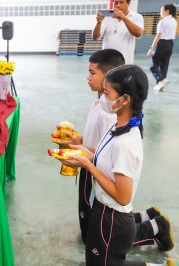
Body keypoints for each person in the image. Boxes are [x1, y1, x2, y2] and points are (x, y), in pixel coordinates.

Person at [62, 49, 173, 252]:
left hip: (103, 184)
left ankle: (153, 228)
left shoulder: (113, 117)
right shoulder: (103, 104)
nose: (88, 77)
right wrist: (80, 143)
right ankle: (149, 217)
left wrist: (87, 160)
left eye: (93, 73)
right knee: (99, 232)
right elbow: (102, 147)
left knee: (103, 239)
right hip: (97, 172)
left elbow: (121, 192)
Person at [92, 0, 144, 64]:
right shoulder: (107, 17)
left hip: (126, 61)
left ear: (128, 3)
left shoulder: (136, 17)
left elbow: (138, 33)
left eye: (121, 2)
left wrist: (124, 18)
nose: (118, 5)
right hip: (106, 61)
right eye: (116, 2)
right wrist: (98, 23)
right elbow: (95, 37)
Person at [147, 4, 177, 92]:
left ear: (167, 11)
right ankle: (160, 86)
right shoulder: (174, 21)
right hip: (170, 44)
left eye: (161, 10)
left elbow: (158, 36)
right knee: (164, 65)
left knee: (153, 65)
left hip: (162, 43)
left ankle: (161, 80)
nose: (160, 12)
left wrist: (151, 48)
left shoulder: (163, 21)